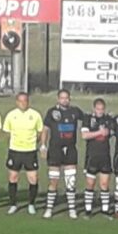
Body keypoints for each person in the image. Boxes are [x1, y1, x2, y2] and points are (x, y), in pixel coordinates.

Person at [41, 89, 85, 219]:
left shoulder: (75, 111)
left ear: (69, 99)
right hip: (55, 150)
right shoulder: (52, 112)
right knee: (53, 181)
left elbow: (88, 118)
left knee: (70, 182)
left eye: (66, 98)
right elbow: (45, 129)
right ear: (58, 99)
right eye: (62, 98)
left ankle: (72, 209)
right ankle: (49, 209)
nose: (64, 100)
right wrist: (43, 145)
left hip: (70, 150)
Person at [2, 92, 44, 215]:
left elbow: (40, 132)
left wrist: (34, 143)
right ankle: (13, 204)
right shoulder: (11, 115)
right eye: (20, 101)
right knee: (13, 177)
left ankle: (31, 204)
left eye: (25, 101)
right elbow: (7, 133)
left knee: (33, 178)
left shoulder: (35, 115)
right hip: (15, 151)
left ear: (28, 102)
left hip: (30, 151)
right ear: (17, 102)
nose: (23, 103)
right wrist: (14, 144)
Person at [81, 98, 114, 218]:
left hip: (105, 156)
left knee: (104, 184)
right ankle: (88, 210)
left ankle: (105, 210)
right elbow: (84, 135)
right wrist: (99, 133)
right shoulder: (88, 119)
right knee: (90, 184)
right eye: (98, 109)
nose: (100, 111)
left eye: (102, 109)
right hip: (91, 156)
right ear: (94, 109)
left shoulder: (108, 119)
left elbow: (111, 132)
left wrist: (107, 132)